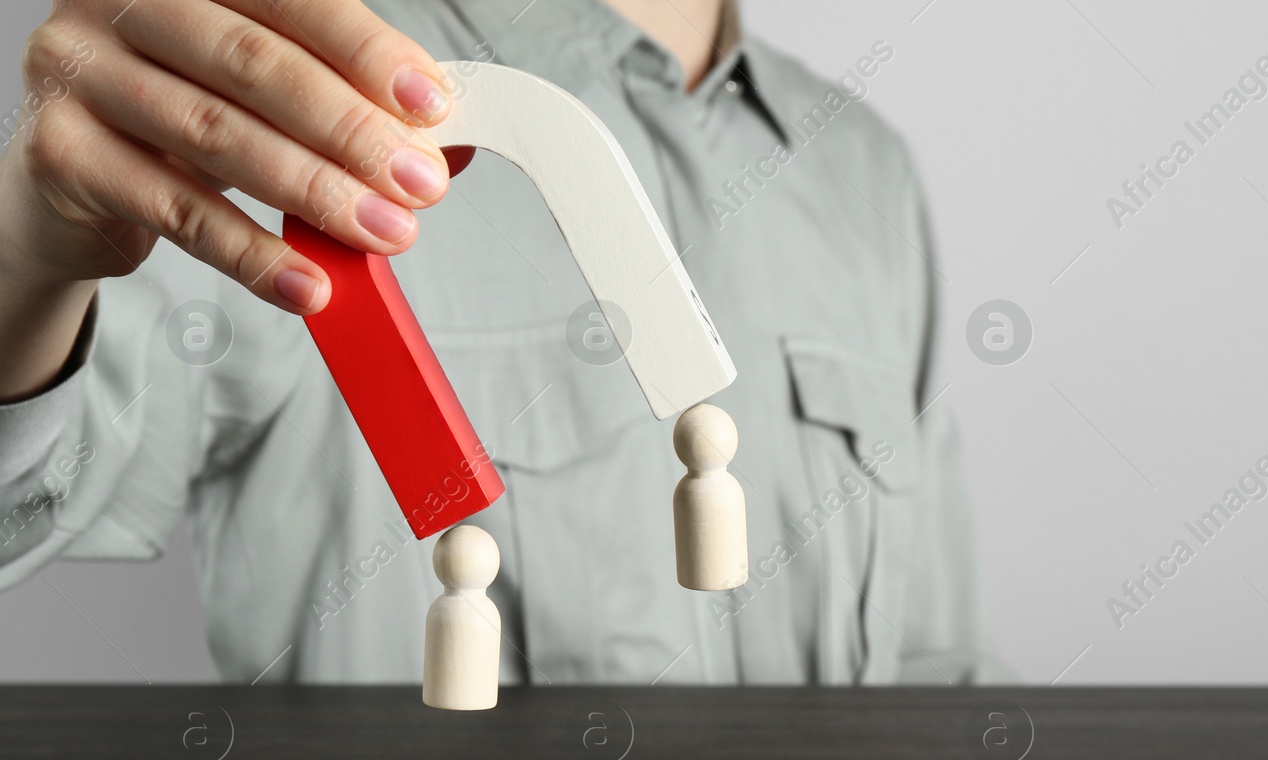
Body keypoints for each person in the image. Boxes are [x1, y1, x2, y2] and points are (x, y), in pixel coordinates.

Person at [0, 0, 1003, 684]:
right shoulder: (266, 110)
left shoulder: (863, 169)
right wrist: (24, 257)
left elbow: (936, 671)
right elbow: (34, 507)